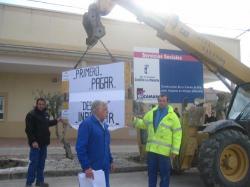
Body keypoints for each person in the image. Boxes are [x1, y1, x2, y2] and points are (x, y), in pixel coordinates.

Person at [133, 95, 182, 187]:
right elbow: (143, 124)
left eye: (163, 101)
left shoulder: (173, 117)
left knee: (165, 175)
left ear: (167, 102)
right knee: (151, 174)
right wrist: (134, 121)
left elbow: (177, 134)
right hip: (152, 151)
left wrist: (175, 150)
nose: (161, 103)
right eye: (160, 101)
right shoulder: (151, 113)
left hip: (164, 152)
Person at [76, 100, 114, 187]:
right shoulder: (86, 124)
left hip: (105, 167)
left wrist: (110, 160)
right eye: (104, 109)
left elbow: (106, 146)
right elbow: (80, 147)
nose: (107, 112)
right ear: (96, 110)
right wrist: (86, 167)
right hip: (92, 168)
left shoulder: (104, 126)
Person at [25, 98, 62, 187]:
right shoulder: (31, 115)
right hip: (36, 145)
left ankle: (39, 182)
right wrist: (33, 141)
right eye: (39, 104)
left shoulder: (45, 114)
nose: (41, 105)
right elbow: (29, 130)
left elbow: (47, 123)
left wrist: (57, 120)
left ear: (45, 105)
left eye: (43, 104)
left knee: (41, 164)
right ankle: (29, 183)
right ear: (36, 104)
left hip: (44, 144)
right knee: (34, 164)